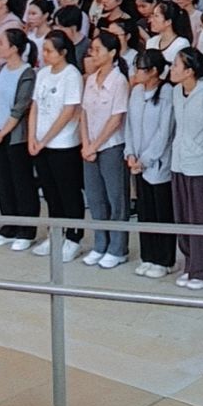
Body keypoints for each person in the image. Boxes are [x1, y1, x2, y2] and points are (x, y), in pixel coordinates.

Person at [29, 29, 87, 261]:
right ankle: (56, 233)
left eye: (49, 51)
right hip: (41, 144)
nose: (44, 55)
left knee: (68, 192)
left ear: (63, 52)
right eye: (43, 50)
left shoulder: (71, 74)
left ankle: (74, 237)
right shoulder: (43, 73)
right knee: (51, 192)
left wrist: (45, 139)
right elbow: (35, 106)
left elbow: (68, 111)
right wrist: (33, 137)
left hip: (63, 144)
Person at [169, 48, 203, 291]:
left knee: (201, 217)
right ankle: (190, 264)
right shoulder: (175, 92)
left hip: (202, 163)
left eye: (176, 65)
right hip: (179, 161)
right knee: (183, 215)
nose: (171, 69)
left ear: (189, 71)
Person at [79, 27, 132, 267]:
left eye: (98, 50)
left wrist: (96, 145)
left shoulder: (119, 81)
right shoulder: (91, 79)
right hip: (89, 146)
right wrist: (86, 144)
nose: (93, 53)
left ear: (112, 53)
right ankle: (100, 244)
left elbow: (116, 118)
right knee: (95, 197)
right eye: (92, 49)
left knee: (115, 198)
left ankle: (118, 248)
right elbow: (83, 113)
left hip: (111, 146)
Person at [125, 47, 178, 277]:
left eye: (140, 69)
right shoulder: (136, 92)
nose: (136, 73)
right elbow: (129, 125)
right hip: (137, 162)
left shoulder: (167, 92)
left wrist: (146, 159)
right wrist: (130, 153)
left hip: (158, 163)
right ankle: (148, 256)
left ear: (154, 71)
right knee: (145, 211)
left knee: (161, 212)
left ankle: (164, 259)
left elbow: (164, 132)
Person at [0, 27, 39, 250]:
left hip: (16, 136)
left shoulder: (27, 73)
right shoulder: (0, 70)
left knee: (21, 182)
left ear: (14, 48)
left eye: (2, 43)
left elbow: (20, 107)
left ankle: (26, 230)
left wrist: (1, 133)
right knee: (3, 182)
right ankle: (9, 225)